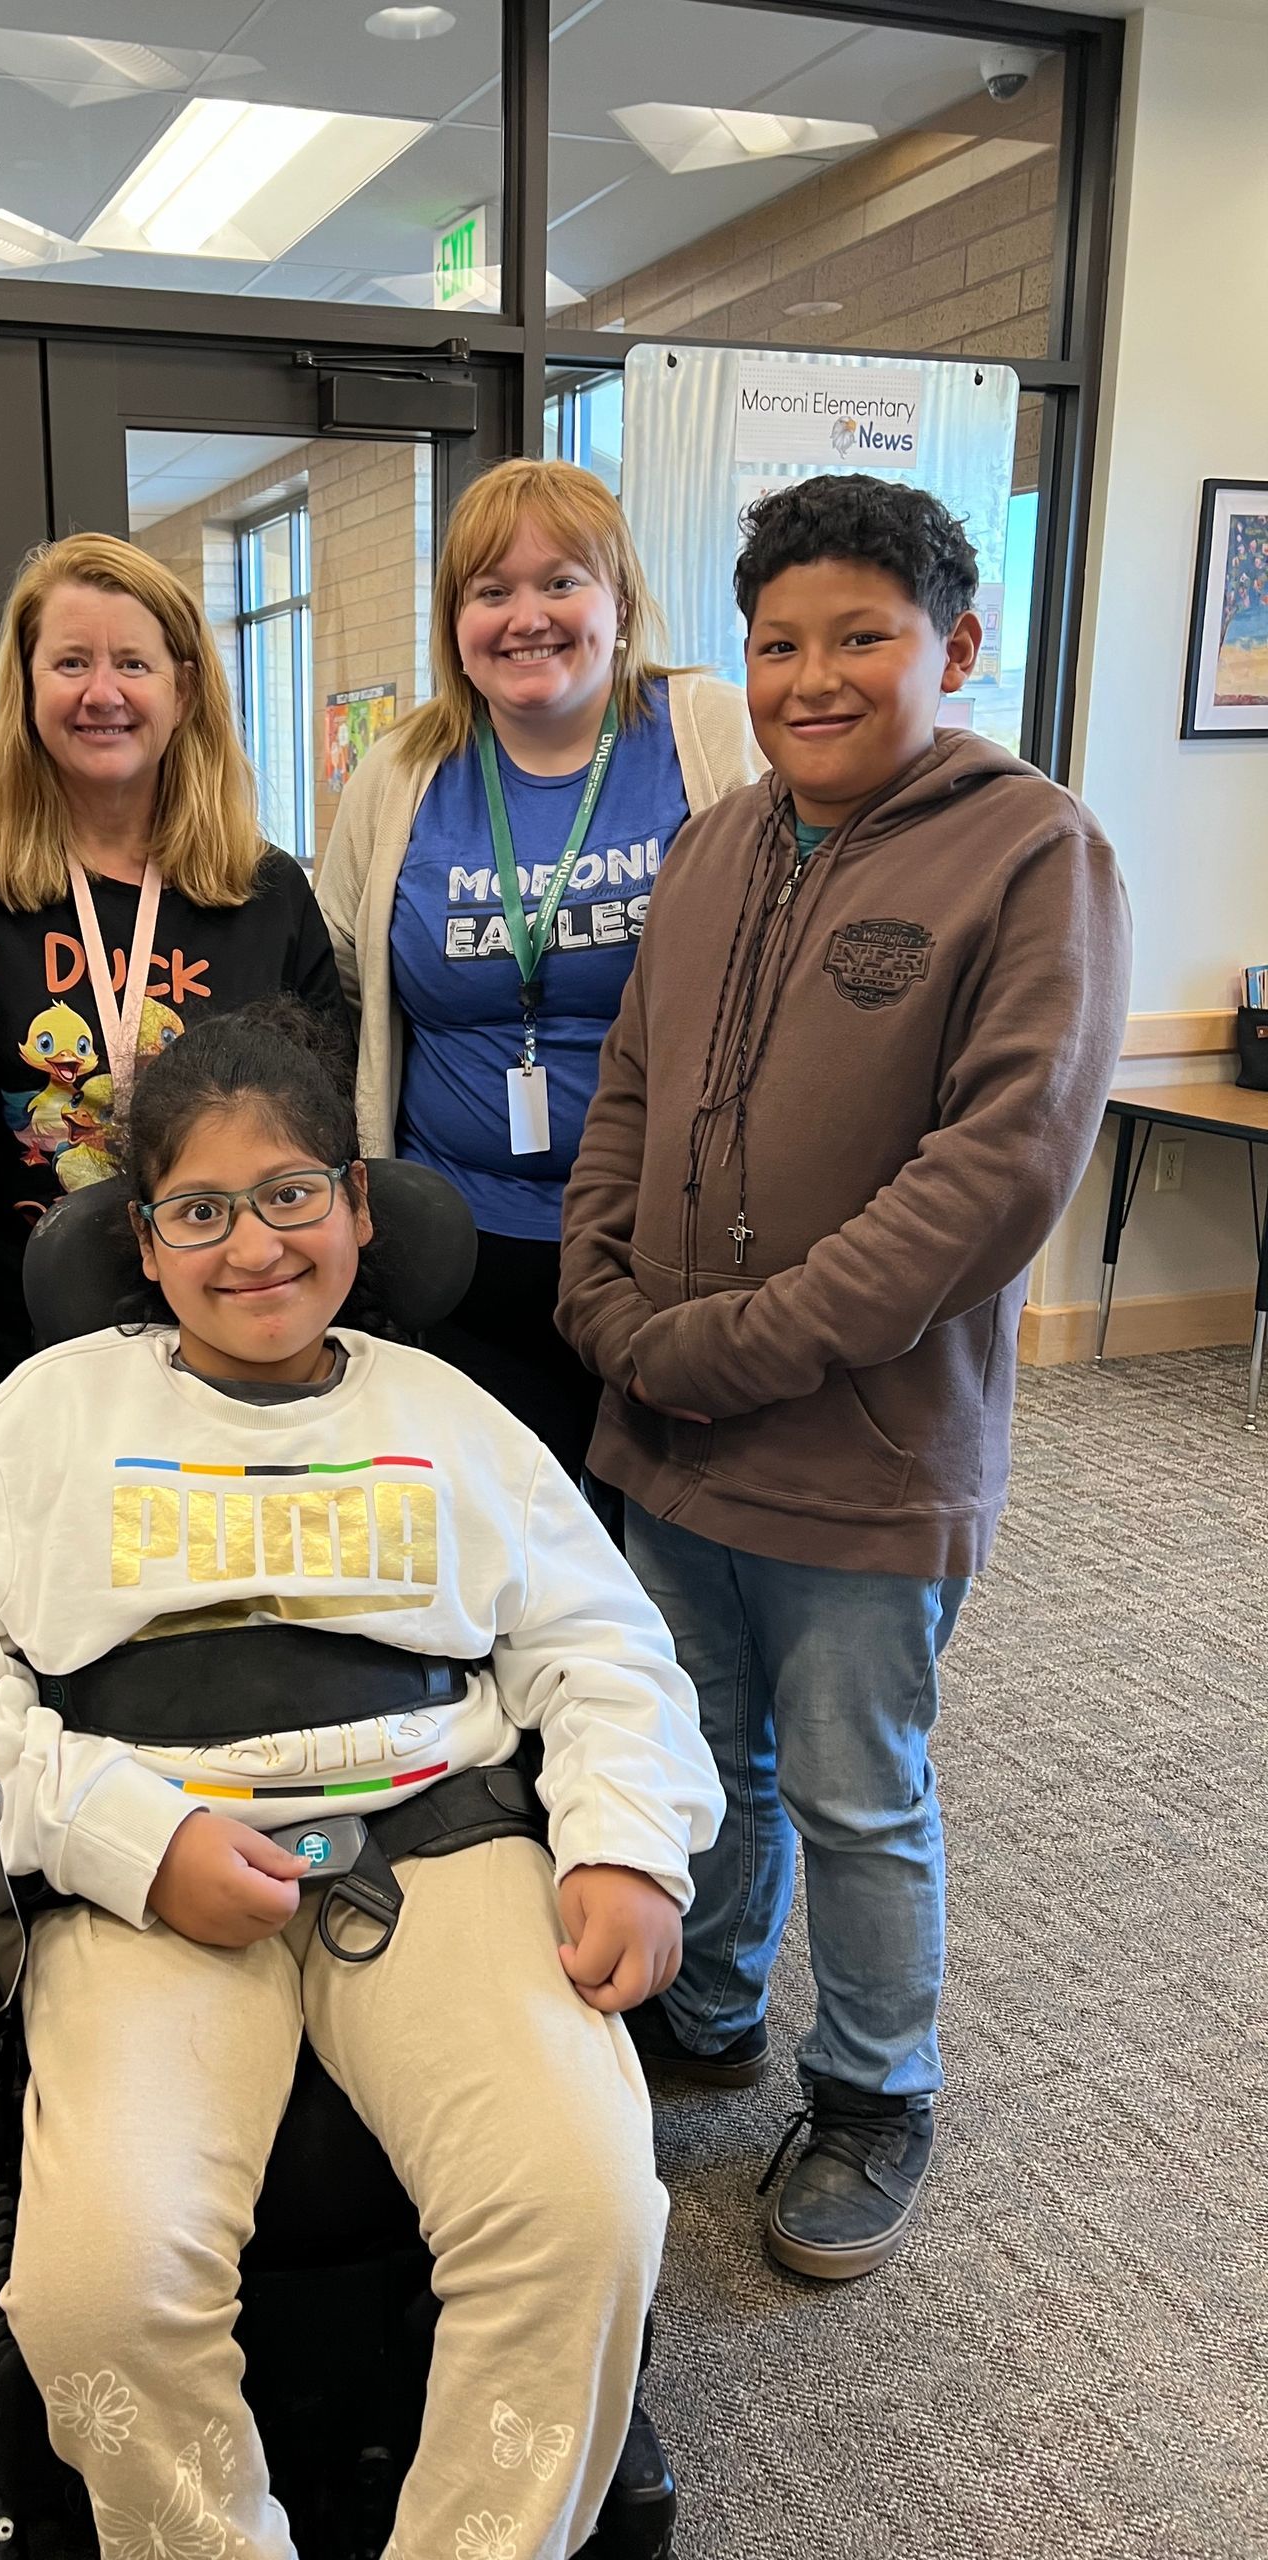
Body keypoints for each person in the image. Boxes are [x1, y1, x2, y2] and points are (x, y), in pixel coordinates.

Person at [0, 1004, 724, 2560]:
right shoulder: (46, 1420)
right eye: (199, 1209)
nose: (251, 1245)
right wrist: (125, 1836)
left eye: (291, 1194)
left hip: (438, 1844)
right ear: (143, 1242)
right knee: (99, 2281)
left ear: (358, 1208)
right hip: (151, 1855)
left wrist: (628, 1847)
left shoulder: (451, 1416)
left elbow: (605, 1649)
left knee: (587, 2213)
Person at [558, 475, 1132, 2282]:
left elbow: (994, 1178)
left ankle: (878, 2088)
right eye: (779, 641)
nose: (812, 675)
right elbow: (632, 1091)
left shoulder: (1036, 855)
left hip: (866, 1451)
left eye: (861, 637)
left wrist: (738, 1341)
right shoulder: (717, 843)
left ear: (956, 647)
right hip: (668, 1431)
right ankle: (712, 2009)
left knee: (852, 1789)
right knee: (691, 1755)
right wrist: (598, 1283)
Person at [316, 457, 759, 1480]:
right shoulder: (402, 768)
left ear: (621, 600)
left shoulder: (707, 734)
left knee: (650, 1553)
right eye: (491, 590)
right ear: (454, 620)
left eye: (562, 581)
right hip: (456, 1245)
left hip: (664, 1244)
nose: (528, 617)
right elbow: (348, 974)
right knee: (488, 1539)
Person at [0, 533, 347, 1424]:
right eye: (71, 662)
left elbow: (318, 1116)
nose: (103, 693)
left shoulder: (264, 889)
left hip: (223, 1334)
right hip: (5, 1337)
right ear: (28, 687)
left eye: (133, 663)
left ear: (183, 688)